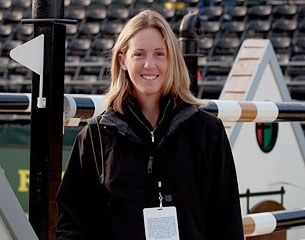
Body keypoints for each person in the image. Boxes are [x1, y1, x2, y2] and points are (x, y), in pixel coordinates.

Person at [56, 9, 244, 240]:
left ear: (172, 60)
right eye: (139, 54)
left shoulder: (208, 132)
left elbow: (228, 224)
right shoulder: (94, 137)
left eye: (159, 54)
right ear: (122, 60)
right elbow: (73, 226)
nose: (149, 64)